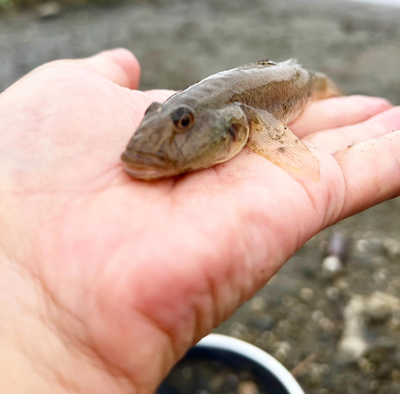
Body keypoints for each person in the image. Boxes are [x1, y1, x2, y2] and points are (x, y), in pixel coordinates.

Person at [0, 48, 399, 393]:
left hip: (296, 78)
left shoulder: (253, 114)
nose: (169, 130)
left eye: (184, 123)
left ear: (242, 124)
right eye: (161, 118)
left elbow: (291, 153)